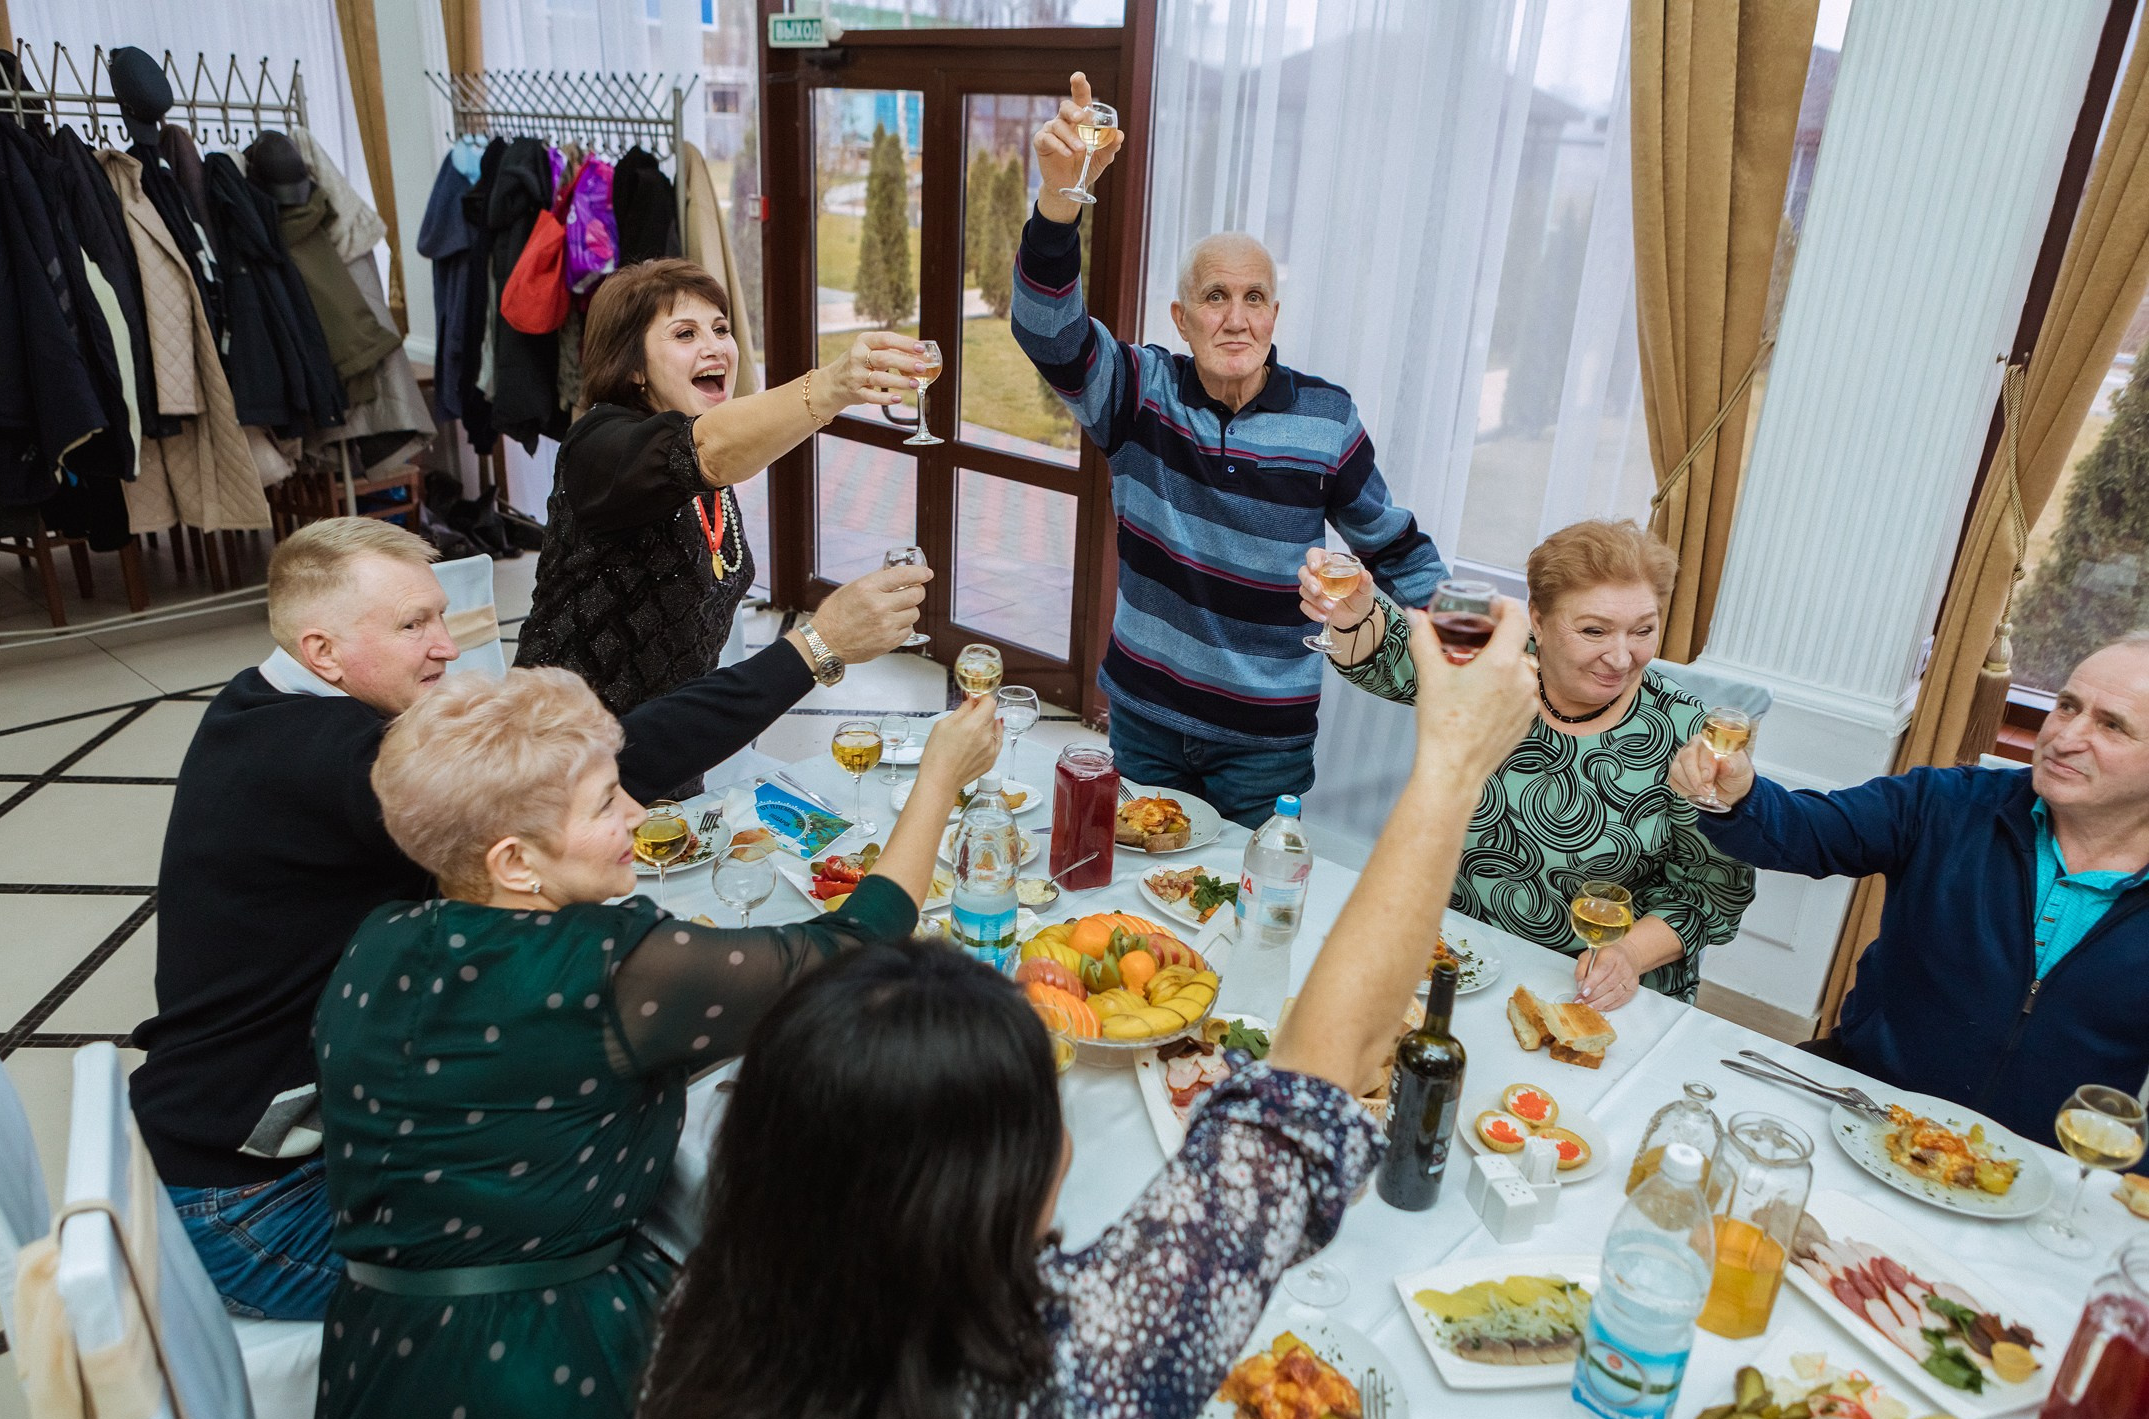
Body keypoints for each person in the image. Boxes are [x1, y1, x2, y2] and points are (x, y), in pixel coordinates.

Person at [626, 602, 1538, 1419]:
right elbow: (1303, 1100)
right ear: (988, 1204)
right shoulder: (1060, 1382)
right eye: (1041, 1119)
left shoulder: (701, 1320)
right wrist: (1452, 766)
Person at [131, 517, 925, 1320]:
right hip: (257, 1199)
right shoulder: (338, 762)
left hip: (302, 1126)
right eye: (413, 626)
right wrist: (812, 650)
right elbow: (614, 764)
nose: (446, 646)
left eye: (440, 615)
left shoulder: (265, 709)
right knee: (664, 1245)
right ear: (323, 651)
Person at [306, 670, 1001, 1419]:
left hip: (377, 1351)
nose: (639, 815)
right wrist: (941, 774)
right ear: (514, 861)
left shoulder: (379, 936)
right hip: (538, 1373)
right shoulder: (608, 967)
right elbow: (851, 952)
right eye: (607, 803)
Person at [1009, 73, 1445, 830]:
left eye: (1254, 298)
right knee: (1137, 913)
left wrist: (1474, 637)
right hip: (1146, 719)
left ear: (1275, 313)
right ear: (1181, 316)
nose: (1235, 319)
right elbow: (1047, 332)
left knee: (1249, 907)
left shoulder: (1326, 418)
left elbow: (1396, 547)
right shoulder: (1141, 391)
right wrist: (1058, 203)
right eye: (1215, 297)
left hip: (1265, 744)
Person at [1669, 632, 2149, 1148]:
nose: (2066, 736)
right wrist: (1742, 793)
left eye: (2111, 725)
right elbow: (1807, 832)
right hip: (1864, 1105)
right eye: (2067, 706)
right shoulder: (1947, 804)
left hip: (2035, 1167)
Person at [1301, 518, 1753, 1008]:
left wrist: (1628, 954)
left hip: (1586, 990)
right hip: (1457, 959)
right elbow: (1393, 660)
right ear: (1537, 620)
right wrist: (1353, 612)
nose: (1622, 658)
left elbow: (1711, 894)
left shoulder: (1687, 736)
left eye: (1643, 629)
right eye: (1594, 630)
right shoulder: (1497, 668)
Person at [515, 258, 934, 717]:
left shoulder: (705, 453)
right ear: (633, 368)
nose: (716, 348)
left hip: (669, 745)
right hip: (557, 747)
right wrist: (834, 385)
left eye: (721, 329)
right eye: (685, 334)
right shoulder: (600, 445)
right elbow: (704, 450)